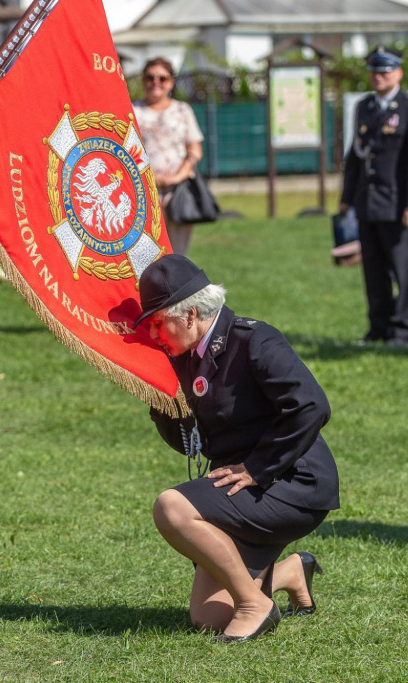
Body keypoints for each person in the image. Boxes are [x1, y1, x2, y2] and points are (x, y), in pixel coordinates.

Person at [138, 254, 339, 642]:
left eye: (158, 324)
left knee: (171, 507)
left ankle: (255, 605)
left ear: (189, 314)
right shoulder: (183, 355)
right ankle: (291, 572)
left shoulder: (254, 339)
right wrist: (159, 398)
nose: (154, 335)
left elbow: (312, 405)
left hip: (292, 483)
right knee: (209, 617)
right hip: (240, 489)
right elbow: (188, 445)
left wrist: (258, 467)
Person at [340, 46, 408, 347]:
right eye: (374, 70)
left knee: (402, 271)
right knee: (373, 271)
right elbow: (355, 156)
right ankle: (377, 327)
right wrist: (347, 197)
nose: (379, 76)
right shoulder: (365, 107)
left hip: (396, 204)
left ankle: (402, 330)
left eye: (386, 70)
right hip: (368, 203)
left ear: (399, 73)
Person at [132, 57, 204, 256]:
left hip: (178, 191)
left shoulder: (182, 110)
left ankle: (174, 288)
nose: (156, 82)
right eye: (150, 77)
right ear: (143, 80)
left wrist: (177, 177)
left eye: (162, 78)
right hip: (141, 191)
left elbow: (195, 149)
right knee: (144, 252)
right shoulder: (132, 110)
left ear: (171, 82)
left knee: (177, 253)